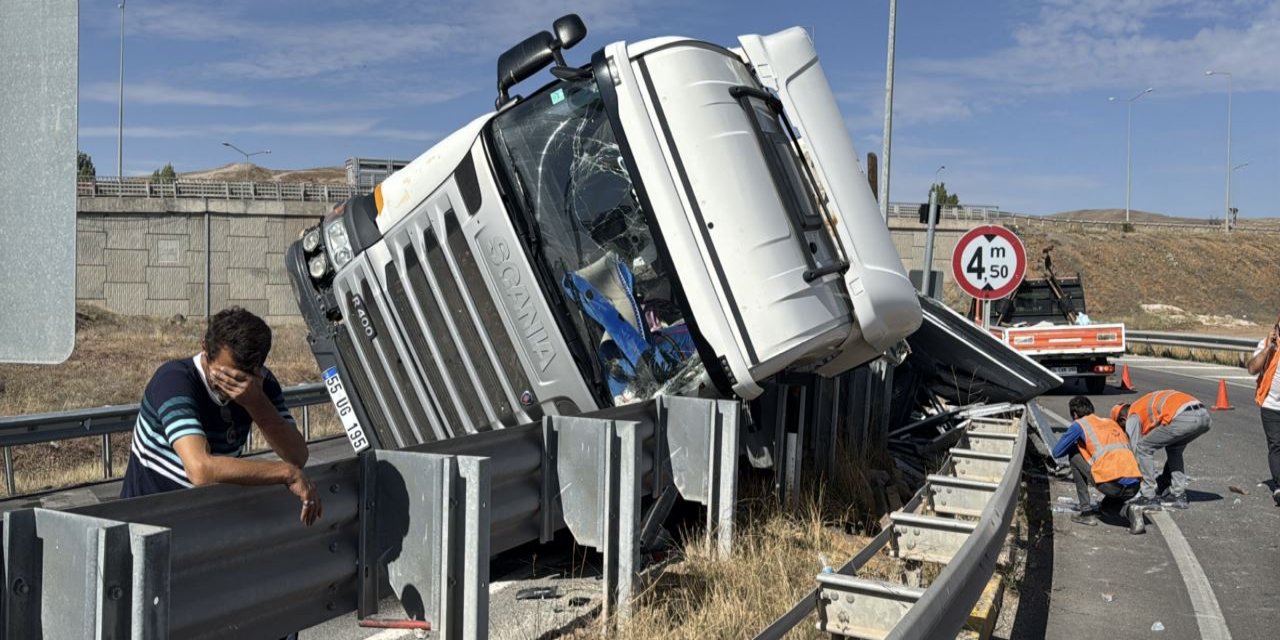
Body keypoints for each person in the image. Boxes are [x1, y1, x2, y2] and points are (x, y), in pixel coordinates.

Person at [120, 307, 322, 527]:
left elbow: (297, 455)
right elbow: (200, 469)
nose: (233, 387)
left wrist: (256, 403)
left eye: (241, 378)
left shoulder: (259, 385)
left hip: (202, 524)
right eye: (224, 375)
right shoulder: (174, 381)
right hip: (146, 523)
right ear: (205, 350)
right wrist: (287, 473)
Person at [1051, 396, 1143, 531]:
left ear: (1075, 414)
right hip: (1134, 486)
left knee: (1074, 454)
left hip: (1111, 485)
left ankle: (1086, 513)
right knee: (1106, 509)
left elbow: (1057, 452)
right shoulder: (1111, 423)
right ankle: (1129, 510)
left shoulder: (1080, 424)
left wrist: (1076, 443)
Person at [1112, 389, 1211, 511]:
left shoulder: (1132, 415)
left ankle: (1148, 496)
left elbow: (1135, 449)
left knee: (1143, 447)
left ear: (1122, 419)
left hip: (1183, 417)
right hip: (1204, 416)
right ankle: (1178, 495)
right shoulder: (1143, 404)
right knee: (1174, 449)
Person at [1246, 317, 1280, 507]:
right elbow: (1252, 368)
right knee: (1276, 445)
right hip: (1271, 406)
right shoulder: (1266, 344)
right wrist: (1269, 349)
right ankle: (1279, 487)